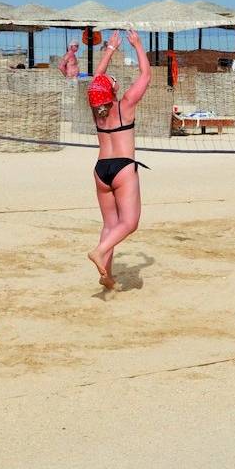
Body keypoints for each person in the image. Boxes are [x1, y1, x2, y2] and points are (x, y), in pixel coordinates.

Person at [86, 30, 150, 290]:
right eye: (112, 80)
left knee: (110, 224)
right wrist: (137, 45)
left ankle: (107, 275)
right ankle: (100, 251)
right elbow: (146, 75)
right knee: (129, 223)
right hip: (123, 168)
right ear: (112, 90)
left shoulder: (97, 110)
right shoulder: (124, 106)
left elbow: (95, 81)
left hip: (101, 169)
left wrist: (110, 50)